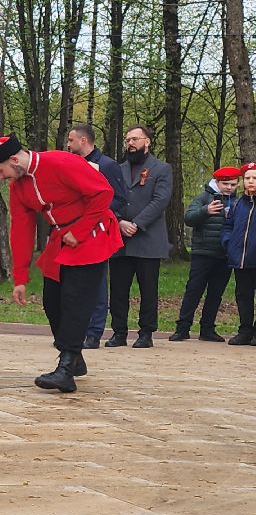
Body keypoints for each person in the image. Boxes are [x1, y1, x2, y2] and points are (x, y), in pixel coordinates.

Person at [0, 134, 122, 393]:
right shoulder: (18, 186)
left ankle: (66, 368)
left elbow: (104, 193)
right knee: (52, 300)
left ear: (14, 159)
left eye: (0, 171)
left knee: (75, 300)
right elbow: (21, 230)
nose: (0, 178)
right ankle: (75, 358)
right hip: (61, 239)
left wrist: (80, 230)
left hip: (92, 234)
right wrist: (20, 278)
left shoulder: (60, 162)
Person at [107, 125, 173, 348]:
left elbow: (160, 201)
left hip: (148, 238)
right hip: (120, 239)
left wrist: (136, 223)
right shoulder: (118, 168)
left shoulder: (162, 169)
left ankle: (146, 332)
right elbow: (108, 198)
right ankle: (119, 332)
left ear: (147, 142)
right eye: (128, 140)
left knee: (148, 289)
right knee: (118, 288)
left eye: (135, 139)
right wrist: (118, 221)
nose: (131, 143)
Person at [65, 123, 129, 348]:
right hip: (72, 230)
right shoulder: (69, 163)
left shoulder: (108, 165)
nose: (68, 144)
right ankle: (73, 331)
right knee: (73, 284)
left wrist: (93, 210)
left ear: (83, 141)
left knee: (97, 282)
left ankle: (94, 332)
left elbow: (120, 198)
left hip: (97, 231)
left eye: (71, 140)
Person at [171, 165, 241, 341]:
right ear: (217, 182)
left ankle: (207, 328)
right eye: (225, 184)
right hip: (203, 252)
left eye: (233, 184)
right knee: (194, 290)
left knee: (216, 293)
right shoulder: (204, 197)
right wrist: (205, 211)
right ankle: (183, 327)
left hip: (225, 255)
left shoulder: (238, 202)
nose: (229, 188)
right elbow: (189, 218)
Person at [222, 163, 256, 346]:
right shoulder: (237, 204)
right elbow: (228, 226)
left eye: (255, 178)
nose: (251, 181)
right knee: (243, 295)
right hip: (241, 260)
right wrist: (228, 244)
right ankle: (245, 330)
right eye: (248, 178)